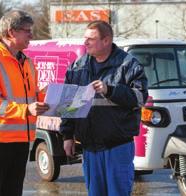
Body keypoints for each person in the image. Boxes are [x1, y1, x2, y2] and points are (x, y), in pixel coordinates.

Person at [60, 20, 148, 196]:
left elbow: (140, 98)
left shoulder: (129, 65)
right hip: (90, 148)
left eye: (91, 39)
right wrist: (67, 135)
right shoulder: (78, 67)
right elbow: (69, 105)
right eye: (85, 38)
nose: (85, 42)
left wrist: (111, 90)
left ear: (106, 41)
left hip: (117, 147)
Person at [0, 10, 49, 196]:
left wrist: (52, 98)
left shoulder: (27, 62)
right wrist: (26, 110)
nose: (31, 35)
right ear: (11, 32)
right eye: (27, 30)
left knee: (13, 192)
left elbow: (31, 97)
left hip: (21, 139)